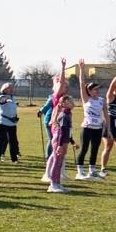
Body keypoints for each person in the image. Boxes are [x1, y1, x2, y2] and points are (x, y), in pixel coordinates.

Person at [45, 63, 74, 194]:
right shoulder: (58, 97)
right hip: (58, 131)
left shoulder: (66, 111)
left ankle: (56, 181)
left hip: (60, 130)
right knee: (57, 158)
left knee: (58, 159)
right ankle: (53, 183)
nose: (66, 88)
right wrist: (63, 68)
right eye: (65, 86)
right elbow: (61, 83)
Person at [75, 60, 105, 179]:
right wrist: (82, 69)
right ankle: (80, 172)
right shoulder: (86, 99)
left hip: (98, 128)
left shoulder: (101, 100)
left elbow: (105, 114)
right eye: (95, 89)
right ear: (90, 91)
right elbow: (82, 84)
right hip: (87, 128)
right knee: (84, 149)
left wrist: (106, 126)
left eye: (98, 89)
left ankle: (92, 171)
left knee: (95, 149)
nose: (97, 91)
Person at [0, 83, 20, 163]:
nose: (11, 89)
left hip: (12, 123)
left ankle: (14, 159)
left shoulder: (13, 98)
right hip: (3, 122)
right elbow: (3, 101)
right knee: (1, 140)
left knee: (13, 141)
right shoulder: (1, 97)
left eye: (12, 88)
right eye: (9, 88)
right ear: (4, 89)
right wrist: (7, 100)